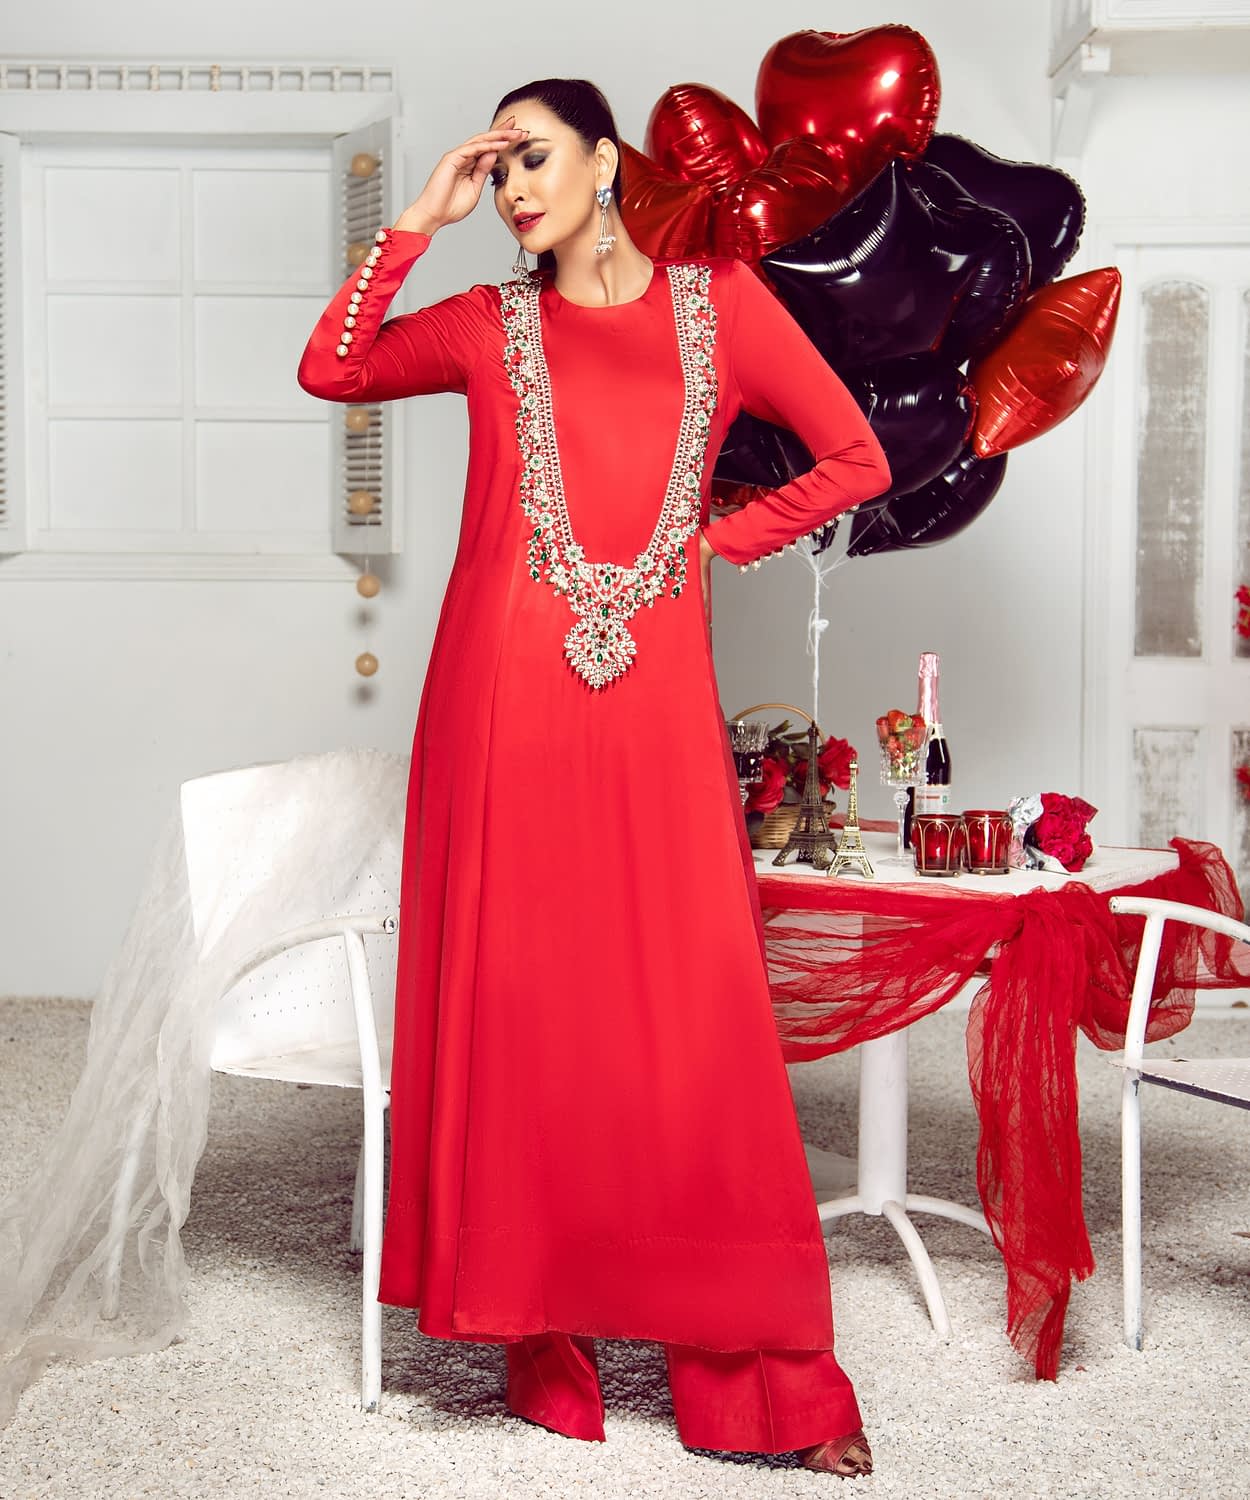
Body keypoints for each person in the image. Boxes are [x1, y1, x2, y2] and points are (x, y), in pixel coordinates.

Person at [298, 77, 889, 1477]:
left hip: (652, 698)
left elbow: (856, 456)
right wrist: (415, 222)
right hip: (497, 698)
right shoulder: (482, 323)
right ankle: (537, 1336)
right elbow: (335, 368)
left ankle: (762, 1383)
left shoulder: (720, 304)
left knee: (686, 1013)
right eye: (496, 169)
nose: (512, 188)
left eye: (533, 158)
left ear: (606, 161)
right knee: (524, 1000)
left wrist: (716, 546)